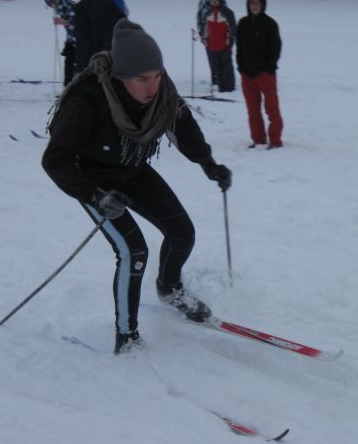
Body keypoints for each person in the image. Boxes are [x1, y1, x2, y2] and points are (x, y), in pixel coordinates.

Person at [41, 19, 232, 355]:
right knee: (134, 251)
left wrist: (208, 164)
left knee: (182, 232)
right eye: (143, 79)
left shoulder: (162, 94)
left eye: (157, 76)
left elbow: (183, 125)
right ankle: (127, 337)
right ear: (121, 76)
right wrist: (95, 196)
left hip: (131, 167)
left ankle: (169, 288)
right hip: (94, 180)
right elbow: (55, 159)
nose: (152, 86)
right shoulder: (89, 99)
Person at [236, 0, 284, 149]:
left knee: (271, 109)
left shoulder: (270, 24)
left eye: (257, 3)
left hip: (265, 74)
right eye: (252, 2)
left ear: (262, 5)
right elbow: (239, 47)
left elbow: (276, 48)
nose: (254, 6)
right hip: (247, 74)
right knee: (253, 110)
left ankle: (275, 141)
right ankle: (258, 139)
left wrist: (270, 67)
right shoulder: (242, 23)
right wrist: (241, 66)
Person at [73, 0, 125, 73]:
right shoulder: (109, 0)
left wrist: (81, 70)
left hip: (99, 64)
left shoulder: (81, 9)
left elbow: (84, 43)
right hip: (119, 56)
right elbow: (124, 25)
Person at [202, 0, 236, 93]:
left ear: (220, 0)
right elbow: (206, 28)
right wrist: (205, 39)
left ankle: (229, 88)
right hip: (212, 46)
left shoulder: (228, 13)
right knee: (217, 69)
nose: (214, 1)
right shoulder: (208, 13)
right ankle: (221, 87)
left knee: (227, 68)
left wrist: (229, 44)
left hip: (224, 46)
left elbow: (233, 29)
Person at [44, 0, 77, 86]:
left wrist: (61, 22)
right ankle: (68, 89)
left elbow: (76, 25)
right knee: (69, 66)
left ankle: (70, 89)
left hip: (78, 42)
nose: (51, 6)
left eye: (51, 3)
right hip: (71, 41)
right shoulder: (61, 7)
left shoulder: (68, 7)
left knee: (72, 66)